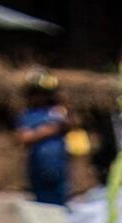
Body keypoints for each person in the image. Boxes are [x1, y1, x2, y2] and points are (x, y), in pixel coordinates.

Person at [16, 78, 71, 210]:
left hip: (58, 165)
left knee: (60, 203)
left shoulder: (57, 111)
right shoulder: (27, 115)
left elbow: (69, 125)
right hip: (38, 166)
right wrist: (47, 130)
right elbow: (23, 137)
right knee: (43, 205)